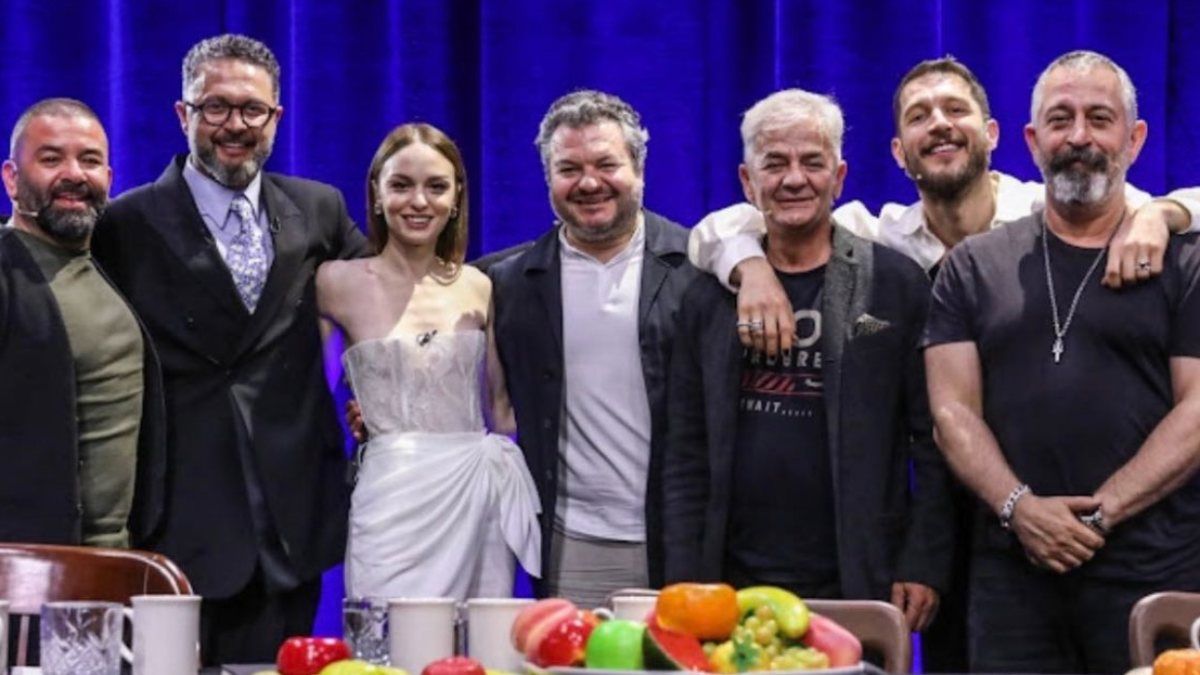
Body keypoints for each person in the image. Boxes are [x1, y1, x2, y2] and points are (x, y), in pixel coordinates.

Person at [686, 56, 1199, 671]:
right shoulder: (879, 239)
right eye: (918, 116)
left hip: (1141, 553)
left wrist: (1162, 213)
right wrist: (748, 264)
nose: (939, 125)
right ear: (898, 153)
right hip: (992, 540)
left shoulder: (1093, 206)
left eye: (956, 109)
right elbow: (727, 224)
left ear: (997, 135)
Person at [90, 35, 368, 664]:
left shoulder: (318, 209)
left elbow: (382, 298)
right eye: (215, 107)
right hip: (177, 519)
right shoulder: (125, 224)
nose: (234, 125)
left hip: (292, 518)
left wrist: (378, 396)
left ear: (277, 117)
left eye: (252, 109)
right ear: (182, 114)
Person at [924, 50, 1200, 673]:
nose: (1079, 136)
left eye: (1099, 119)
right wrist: (1020, 508)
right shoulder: (970, 266)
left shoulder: (1185, 262)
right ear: (1031, 140)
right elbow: (951, 413)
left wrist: (1103, 512)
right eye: (1060, 119)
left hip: (1155, 576)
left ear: (1135, 139)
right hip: (1011, 580)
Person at [663, 89, 952, 635]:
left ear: (839, 178)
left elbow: (932, 442)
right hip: (728, 581)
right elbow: (685, 452)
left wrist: (923, 560)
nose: (794, 179)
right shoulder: (705, 298)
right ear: (747, 182)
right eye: (775, 164)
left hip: (860, 576)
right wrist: (681, 579)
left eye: (812, 162)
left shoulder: (896, 284)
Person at [488, 90, 698, 606]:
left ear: (639, 170)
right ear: (548, 179)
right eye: (568, 169)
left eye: (606, 164)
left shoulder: (701, 269)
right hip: (571, 544)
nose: (588, 183)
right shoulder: (504, 283)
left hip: (685, 540)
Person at [317, 122, 540, 601]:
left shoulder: (480, 286)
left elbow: (501, 414)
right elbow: (301, 397)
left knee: (477, 638)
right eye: (401, 185)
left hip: (476, 497)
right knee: (385, 635)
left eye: (436, 187)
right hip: (390, 498)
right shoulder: (334, 283)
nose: (418, 201)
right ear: (377, 194)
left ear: (456, 198)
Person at [0, 97, 164, 548]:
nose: (74, 173)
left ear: (108, 179)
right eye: (51, 159)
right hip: (29, 565)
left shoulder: (114, 264)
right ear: (11, 178)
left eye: (89, 160)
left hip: (118, 561)